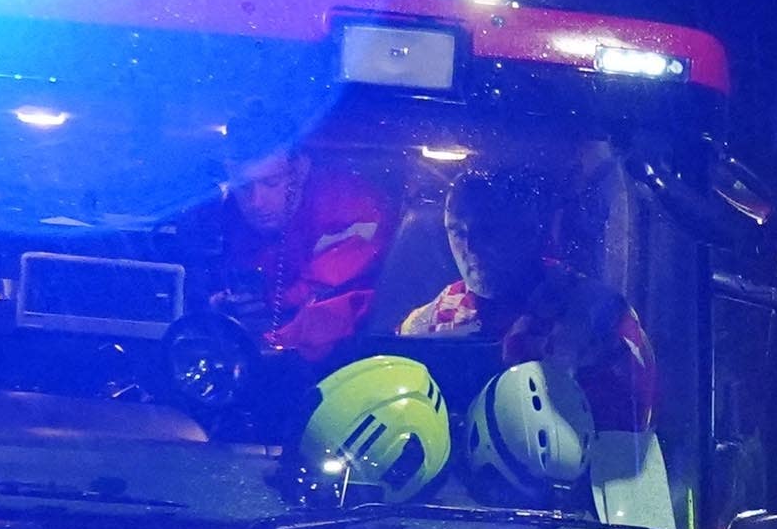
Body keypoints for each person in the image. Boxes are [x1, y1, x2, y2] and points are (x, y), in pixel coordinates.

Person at [398, 164, 656, 432]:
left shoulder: (599, 319)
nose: (471, 248)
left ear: (529, 231)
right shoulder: (426, 323)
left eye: (489, 230)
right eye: (458, 232)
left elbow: (628, 438)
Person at [201, 141, 391, 359]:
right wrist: (218, 303)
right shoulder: (227, 214)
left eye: (272, 183)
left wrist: (266, 304)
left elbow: (325, 306)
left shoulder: (347, 211)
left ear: (300, 170)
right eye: (244, 186)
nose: (257, 202)